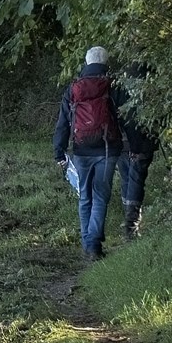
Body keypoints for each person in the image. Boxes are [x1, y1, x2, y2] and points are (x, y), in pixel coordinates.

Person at [53, 45, 123, 261]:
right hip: (107, 149)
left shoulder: (74, 89)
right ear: (105, 62)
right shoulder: (112, 86)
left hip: (81, 150)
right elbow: (125, 118)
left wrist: (59, 151)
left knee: (85, 197)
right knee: (100, 196)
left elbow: (63, 123)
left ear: (86, 62)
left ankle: (88, 244)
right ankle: (93, 245)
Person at [117, 66, 160, 239]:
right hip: (142, 142)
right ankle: (131, 226)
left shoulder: (120, 82)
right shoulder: (151, 81)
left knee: (127, 179)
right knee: (136, 181)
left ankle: (129, 220)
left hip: (121, 141)